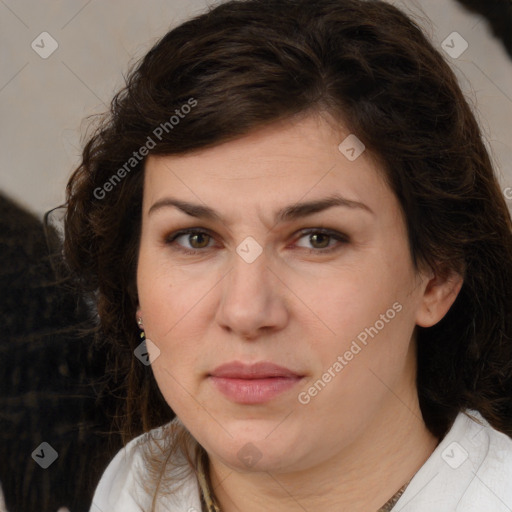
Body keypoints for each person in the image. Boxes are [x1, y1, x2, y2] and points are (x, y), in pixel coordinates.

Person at [62, 0, 512, 510]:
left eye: (318, 238)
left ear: (437, 276)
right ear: (132, 277)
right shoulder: (133, 485)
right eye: (195, 238)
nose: (246, 311)